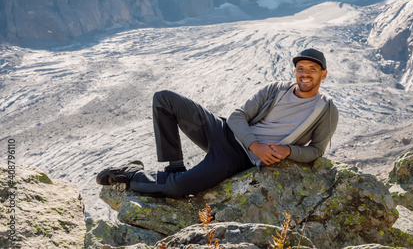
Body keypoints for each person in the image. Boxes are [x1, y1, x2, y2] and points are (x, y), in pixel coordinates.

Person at [96, 48, 339, 197]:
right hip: (225, 132)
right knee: (164, 99)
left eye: (313, 69)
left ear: (323, 74)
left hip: (236, 159)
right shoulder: (276, 89)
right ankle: (174, 166)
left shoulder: (326, 109)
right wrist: (255, 144)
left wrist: (288, 151)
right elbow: (236, 117)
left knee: (177, 190)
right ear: (295, 71)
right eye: (300, 68)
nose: (305, 74)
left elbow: (316, 151)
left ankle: (132, 174)